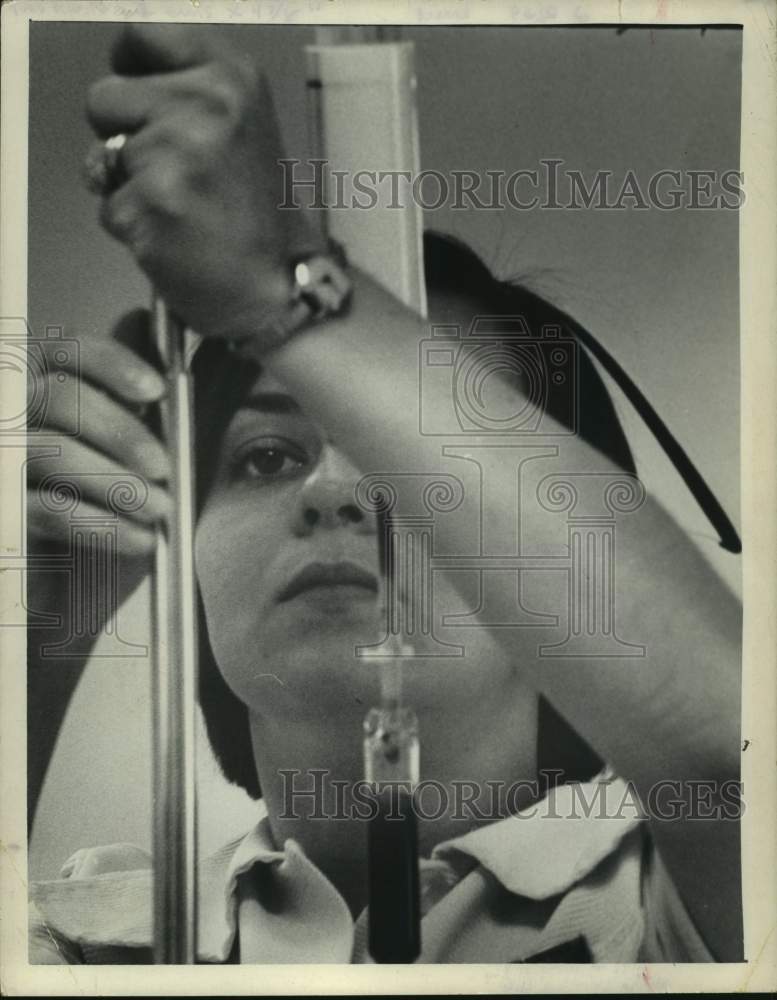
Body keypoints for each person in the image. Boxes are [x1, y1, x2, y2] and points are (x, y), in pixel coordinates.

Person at [27, 25, 742, 964]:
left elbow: (723, 740)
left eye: (424, 466)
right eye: (267, 455)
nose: (333, 492)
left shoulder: (676, 905)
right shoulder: (81, 939)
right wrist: (40, 626)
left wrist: (283, 288)